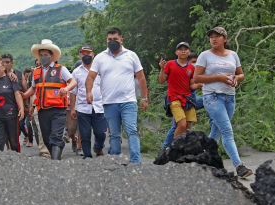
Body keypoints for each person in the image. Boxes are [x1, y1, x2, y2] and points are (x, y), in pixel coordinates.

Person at [193, 26, 253, 178]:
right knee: (227, 131)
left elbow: (241, 74)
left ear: (225, 39)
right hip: (212, 97)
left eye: (217, 36)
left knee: (216, 132)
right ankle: (239, 166)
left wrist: (236, 79)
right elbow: (197, 78)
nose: (213, 39)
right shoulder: (205, 55)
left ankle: (203, 161)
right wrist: (219, 78)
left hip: (229, 98)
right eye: (211, 36)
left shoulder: (233, 55)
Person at [86, 28, 149, 163]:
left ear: (121, 39)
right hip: (109, 102)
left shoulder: (131, 55)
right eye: (109, 39)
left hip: (128, 101)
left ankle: (135, 162)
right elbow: (90, 77)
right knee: (114, 134)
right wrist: (89, 92)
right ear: (106, 40)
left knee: (131, 130)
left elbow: (141, 77)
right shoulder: (100, 57)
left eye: (115, 39)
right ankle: (115, 161)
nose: (112, 41)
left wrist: (144, 98)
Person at [22, 39, 77, 160]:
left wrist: (66, 88)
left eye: (45, 55)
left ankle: (55, 163)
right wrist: (23, 95)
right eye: (41, 55)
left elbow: (73, 82)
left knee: (56, 136)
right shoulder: (36, 72)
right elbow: (33, 89)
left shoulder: (61, 69)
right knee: (47, 139)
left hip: (58, 110)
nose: (43, 57)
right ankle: (56, 154)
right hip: (42, 110)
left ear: (51, 56)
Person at [70, 45, 107, 159]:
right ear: (80, 55)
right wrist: (72, 108)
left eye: (88, 53)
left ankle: (98, 147)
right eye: (83, 53)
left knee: (100, 133)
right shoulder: (76, 72)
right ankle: (87, 156)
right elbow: (73, 92)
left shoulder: (100, 70)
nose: (86, 55)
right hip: (82, 108)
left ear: (93, 54)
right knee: (85, 135)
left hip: (99, 107)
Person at [158, 42, 202, 138]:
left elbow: (191, 86)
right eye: (180, 49)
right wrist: (162, 68)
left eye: (185, 49)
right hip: (174, 98)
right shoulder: (170, 64)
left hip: (188, 99)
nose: (183, 51)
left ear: (189, 52)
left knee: (187, 126)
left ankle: (183, 148)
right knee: (181, 124)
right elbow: (161, 80)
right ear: (176, 52)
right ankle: (174, 148)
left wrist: (201, 85)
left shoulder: (191, 67)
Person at [29, 59, 51, 158]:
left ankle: (53, 149)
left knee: (53, 130)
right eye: (37, 63)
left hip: (53, 105)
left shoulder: (58, 70)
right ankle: (44, 151)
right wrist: (30, 105)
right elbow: (32, 90)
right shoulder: (34, 74)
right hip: (38, 105)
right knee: (40, 129)